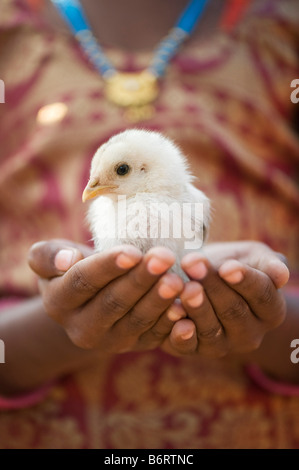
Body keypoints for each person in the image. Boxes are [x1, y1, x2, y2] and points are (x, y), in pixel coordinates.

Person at [0, 0, 298, 449]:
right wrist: (56, 322)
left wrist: (267, 312)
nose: (93, 192)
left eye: (115, 176)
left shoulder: (284, 29)